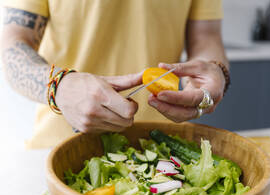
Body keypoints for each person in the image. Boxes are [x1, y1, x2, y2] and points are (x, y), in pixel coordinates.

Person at [1, 0, 229, 149]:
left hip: (159, 146)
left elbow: (206, 37)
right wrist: (59, 87)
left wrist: (214, 70)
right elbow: (12, 44)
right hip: (59, 148)